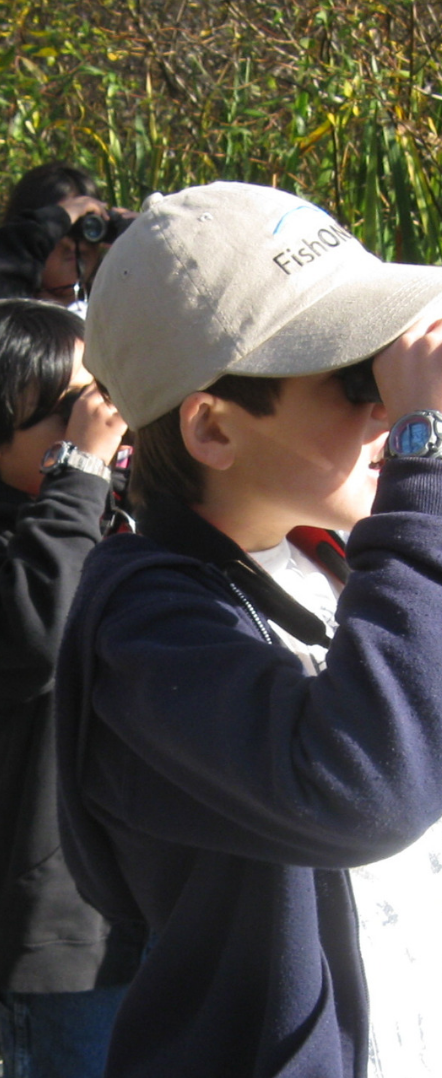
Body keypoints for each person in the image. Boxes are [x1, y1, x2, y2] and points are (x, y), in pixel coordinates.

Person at [53, 181, 442, 1078]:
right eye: (353, 377)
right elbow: (368, 783)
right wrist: (433, 459)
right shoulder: (144, 630)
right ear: (213, 429)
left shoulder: (343, 573)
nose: (385, 407)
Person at [0, 299, 140, 1078]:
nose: (97, 425)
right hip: (56, 935)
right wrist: (79, 474)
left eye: (102, 399)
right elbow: (37, 636)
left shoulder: (104, 516)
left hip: (133, 910)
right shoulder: (54, 526)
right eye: (65, 413)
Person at [0, 163, 116, 308]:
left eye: (88, 225)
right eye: (61, 230)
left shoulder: (116, 305)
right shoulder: (11, 313)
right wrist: (56, 219)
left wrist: (143, 235)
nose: (73, 243)